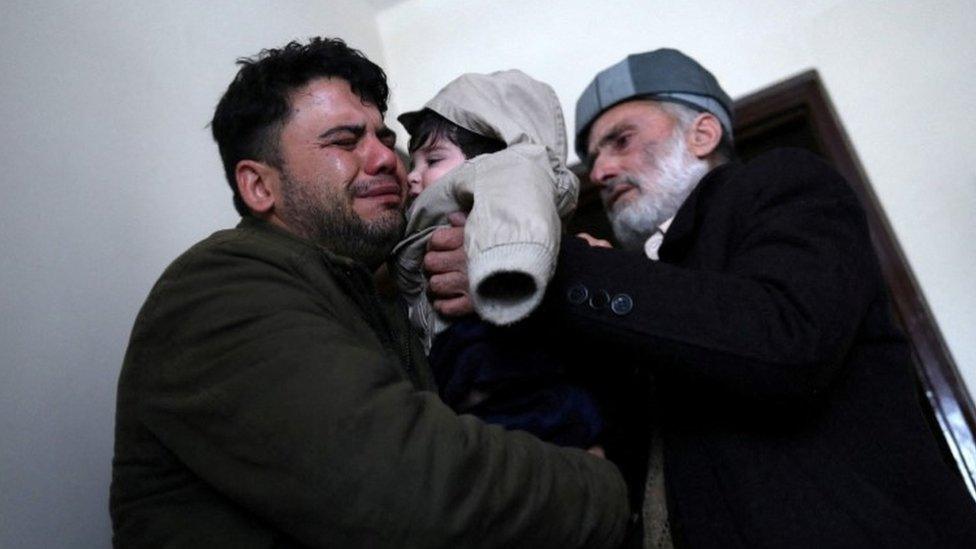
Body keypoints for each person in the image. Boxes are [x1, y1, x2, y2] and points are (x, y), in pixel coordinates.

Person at [424, 48, 976, 548]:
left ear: (703, 134)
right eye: (593, 157)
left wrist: (560, 269)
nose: (601, 171)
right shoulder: (643, 278)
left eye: (621, 140)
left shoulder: (784, 185)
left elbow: (785, 341)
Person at [109, 37, 631, 548]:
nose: (388, 160)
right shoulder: (215, 291)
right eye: (344, 141)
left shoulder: (381, 291)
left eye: (385, 138)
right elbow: (415, 492)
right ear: (259, 187)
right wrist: (601, 490)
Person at [392, 70, 606, 451]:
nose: (413, 176)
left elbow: (516, 206)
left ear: (496, 151)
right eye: (415, 162)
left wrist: (503, 268)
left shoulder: (506, 168)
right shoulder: (426, 217)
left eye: (433, 159)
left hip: (507, 363)